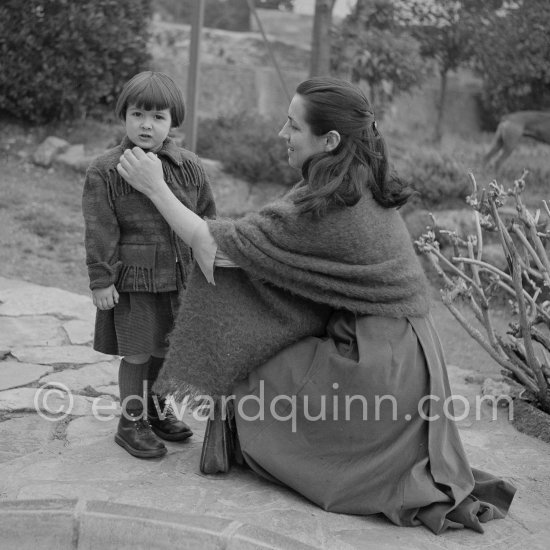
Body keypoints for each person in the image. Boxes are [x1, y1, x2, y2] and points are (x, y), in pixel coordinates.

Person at [116, 77, 515, 533]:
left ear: (329, 140)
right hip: (404, 357)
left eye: (292, 126)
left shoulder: (330, 205)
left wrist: (155, 187)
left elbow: (221, 246)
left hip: (379, 367)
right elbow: (259, 247)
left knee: (247, 361)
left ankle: (275, 448)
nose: (281, 135)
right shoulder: (350, 181)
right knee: (255, 338)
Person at [82, 71, 216, 459]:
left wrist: (210, 266)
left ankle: (157, 412)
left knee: (163, 350)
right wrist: (101, 280)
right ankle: (131, 421)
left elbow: (206, 217)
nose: (146, 124)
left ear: (173, 122)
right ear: (124, 115)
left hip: (179, 279)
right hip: (135, 280)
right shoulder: (106, 170)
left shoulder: (189, 166)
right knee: (138, 352)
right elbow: (99, 229)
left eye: (158, 117)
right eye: (138, 114)